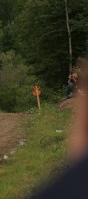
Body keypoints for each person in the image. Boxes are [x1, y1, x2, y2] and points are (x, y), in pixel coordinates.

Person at [30, 63, 88, 199]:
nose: (75, 76)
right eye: (74, 75)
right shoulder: (71, 84)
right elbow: (73, 91)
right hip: (71, 96)